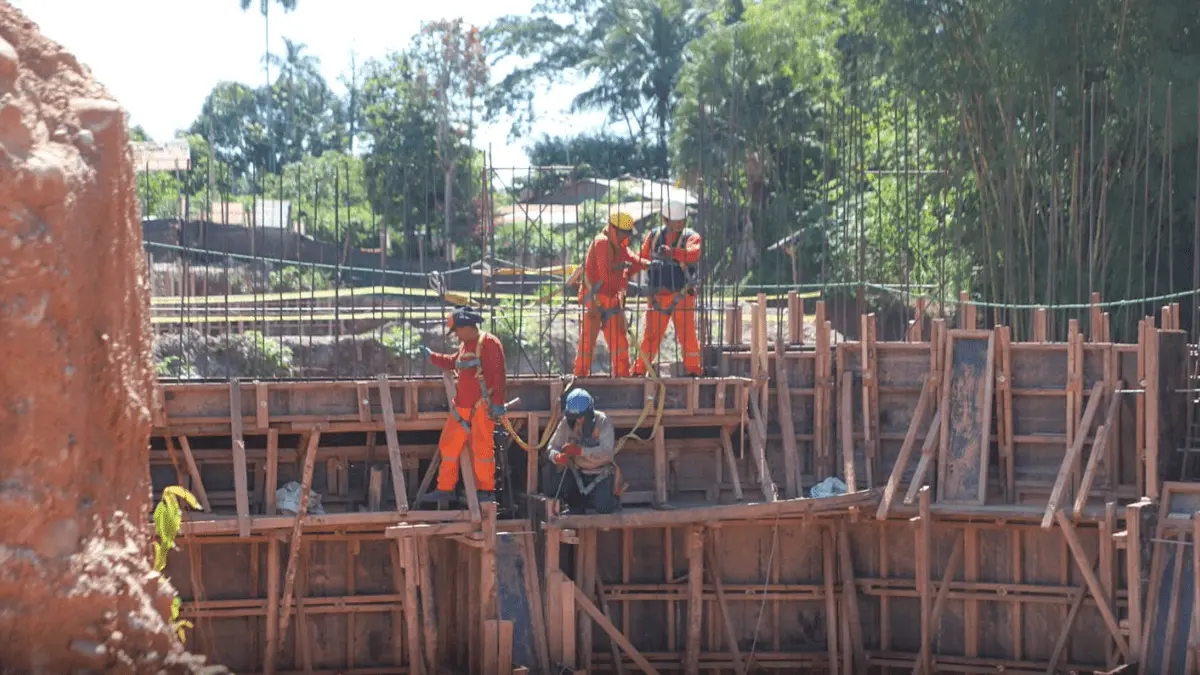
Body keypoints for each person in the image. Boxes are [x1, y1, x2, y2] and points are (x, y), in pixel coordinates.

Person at [419, 307, 507, 505]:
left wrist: (498, 404)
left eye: (456, 330)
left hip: (482, 406)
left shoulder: (489, 343)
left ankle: (486, 490)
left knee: (482, 449)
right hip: (462, 407)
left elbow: (499, 375)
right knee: (449, 445)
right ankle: (445, 488)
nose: (456, 335)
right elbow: (452, 362)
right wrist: (432, 356)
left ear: (466, 326)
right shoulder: (465, 346)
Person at [573, 211, 650, 377]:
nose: (626, 237)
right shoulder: (601, 243)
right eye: (624, 233)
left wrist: (648, 264)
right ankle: (580, 375)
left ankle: (622, 376)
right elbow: (606, 276)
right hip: (596, 299)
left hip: (611, 300)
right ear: (614, 229)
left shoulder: (619, 245)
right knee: (587, 342)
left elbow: (632, 258)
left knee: (620, 344)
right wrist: (629, 285)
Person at [633, 200, 702, 377]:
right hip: (657, 295)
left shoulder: (691, 236)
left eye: (681, 221)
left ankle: (693, 370)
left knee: (687, 335)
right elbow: (641, 258)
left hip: (681, 295)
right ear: (665, 219)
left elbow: (694, 253)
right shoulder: (654, 236)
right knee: (651, 336)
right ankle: (640, 370)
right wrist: (626, 272)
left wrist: (672, 253)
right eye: (675, 221)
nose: (679, 224)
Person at [542, 388, 620, 514]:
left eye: (581, 417)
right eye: (575, 417)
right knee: (553, 488)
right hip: (577, 474)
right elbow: (551, 448)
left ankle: (608, 499)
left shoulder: (603, 421)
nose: (578, 421)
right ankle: (577, 504)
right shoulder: (566, 423)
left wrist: (580, 451)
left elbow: (606, 453)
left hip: (600, 474)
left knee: (603, 507)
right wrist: (557, 457)